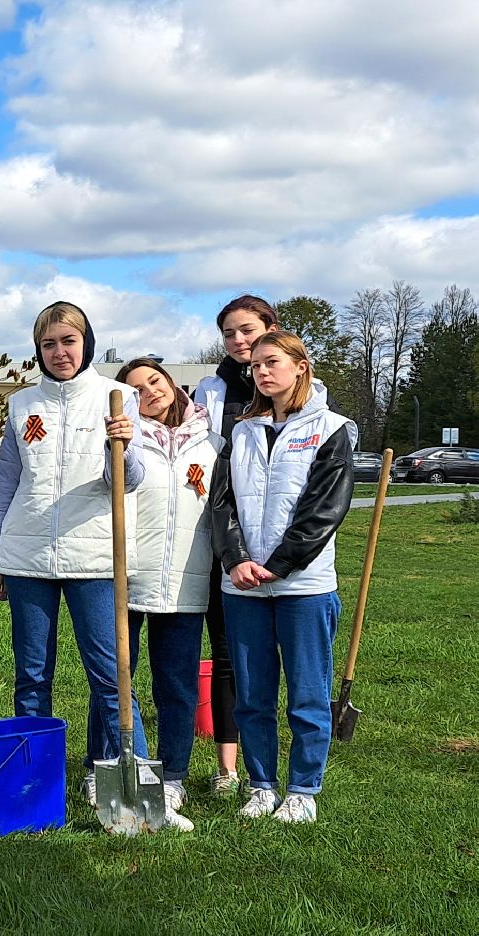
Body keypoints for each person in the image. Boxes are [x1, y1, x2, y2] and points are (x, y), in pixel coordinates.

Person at [0, 301, 149, 802]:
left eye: (68, 341)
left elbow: (128, 480)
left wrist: (117, 446)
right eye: (48, 344)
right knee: (31, 676)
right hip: (28, 556)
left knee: (110, 674)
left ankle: (129, 777)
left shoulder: (117, 397)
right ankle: (33, 781)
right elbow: (6, 483)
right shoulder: (21, 404)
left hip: (96, 558)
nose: (59, 352)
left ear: (87, 343)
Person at [209, 331, 354, 824]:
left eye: (273, 362)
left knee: (308, 692)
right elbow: (221, 504)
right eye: (256, 366)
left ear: (300, 366)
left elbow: (324, 511)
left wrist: (279, 565)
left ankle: (303, 790)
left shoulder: (332, 429)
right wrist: (236, 561)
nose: (263, 371)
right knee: (252, 694)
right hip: (243, 586)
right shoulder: (241, 431)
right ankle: (261, 784)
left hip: (303, 587)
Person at [115, 356, 222, 832]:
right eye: (136, 389)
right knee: (117, 679)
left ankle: (173, 774)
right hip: (128, 576)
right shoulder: (125, 438)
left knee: (176, 685)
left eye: (154, 381)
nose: (149, 392)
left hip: (186, 580)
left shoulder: (212, 444)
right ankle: (117, 765)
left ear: (172, 384)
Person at [192, 293, 279, 792]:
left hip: (273, 538)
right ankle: (228, 769)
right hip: (221, 528)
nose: (239, 340)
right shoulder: (212, 388)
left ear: (270, 327)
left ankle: (263, 765)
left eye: (247, 329)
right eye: (229, 333)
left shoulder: (303, 388)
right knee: (225, 650)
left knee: (261, 654)